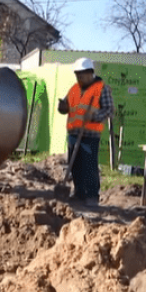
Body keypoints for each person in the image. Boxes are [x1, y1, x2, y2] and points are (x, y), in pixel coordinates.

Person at [56, 57, 113, 206]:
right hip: (74, 133)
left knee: (89, 166)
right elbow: (66, 106)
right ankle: (79, 193)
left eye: (81, 75)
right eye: (77, 75)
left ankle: (92, 195)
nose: (79, 78)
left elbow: (109, 110)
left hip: (90, 135)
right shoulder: (74, 89)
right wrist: (62, 107)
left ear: (90, 73)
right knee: (74, 165)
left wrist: (94, 116)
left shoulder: (102, 89)